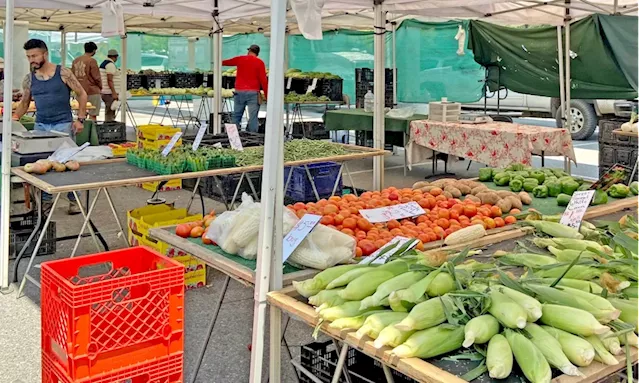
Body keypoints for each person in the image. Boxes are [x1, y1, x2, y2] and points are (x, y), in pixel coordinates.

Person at [14, 39, 88, 215]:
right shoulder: (29, 79)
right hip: (40, 125)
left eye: (34, 55)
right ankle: (46, 202)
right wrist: (14, 117)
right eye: (28, 56)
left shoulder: (62, 73)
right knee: (43, 164)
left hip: (63, 125)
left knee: (66, 164)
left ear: (45, 54)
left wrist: (81, 119)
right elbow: (25, 103)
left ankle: (74, 200)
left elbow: (82, 94)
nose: (31, 60)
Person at [222, 44, 268, 133]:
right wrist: (267, 95)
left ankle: (233, 137)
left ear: (249, 51)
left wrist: (215, 61)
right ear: (257, 53)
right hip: (253, 93)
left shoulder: (240, 59)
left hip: (239, 91)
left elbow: (225, 62)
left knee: (236, 115)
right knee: (253, 117)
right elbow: (263, 80)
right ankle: (252, 138)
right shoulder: (260, 62)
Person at [72, 42, 102, 121]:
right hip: (92, 90)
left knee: (81, 114)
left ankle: (81, 132)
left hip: (79, 91)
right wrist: (101, 87)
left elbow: (72, 76)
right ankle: (91, 131)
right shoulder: (92, 61)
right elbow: (96, 77)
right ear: (94, 50)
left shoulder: (75, 60)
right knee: (93, 114)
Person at [100, 49, 121, 122]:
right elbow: (110, 80)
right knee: (110, 112)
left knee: (109, 111)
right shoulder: (110, 65)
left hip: (106, 91)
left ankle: (109, 127)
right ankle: (109, 128)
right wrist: (114, 93)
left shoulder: (104, 63)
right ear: (115, 57)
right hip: (109, 93)